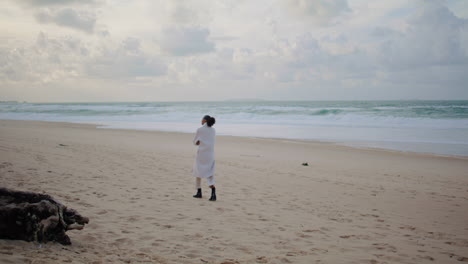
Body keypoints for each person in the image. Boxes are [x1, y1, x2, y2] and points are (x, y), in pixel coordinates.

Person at [192, 115, 217, 201]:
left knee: (197, 172)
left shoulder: (200, 130)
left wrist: (199, 142)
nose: (201, 121)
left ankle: (199, 192)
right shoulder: (213, 130)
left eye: (201, 119)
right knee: (210, 174)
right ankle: (213, 193)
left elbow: (195, 142)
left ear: (204, 120)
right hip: (210, 155)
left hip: (201, 154)